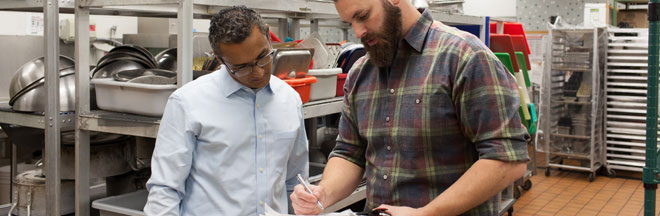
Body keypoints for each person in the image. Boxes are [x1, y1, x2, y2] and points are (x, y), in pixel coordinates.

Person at [291, 0, 529, 215]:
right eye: (350, 21)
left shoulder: (465, 56)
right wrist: (323, 193)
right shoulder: (360, 73)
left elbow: (507, 160)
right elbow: (349, 153)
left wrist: (426, 213)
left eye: (363, 16)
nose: (357, 31)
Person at [144, 6, 308, 215]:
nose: (258, 72)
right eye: (241, 67)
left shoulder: (289, 100)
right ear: (219, 59)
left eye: (263, 57)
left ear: (268, 36)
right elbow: (165, 190)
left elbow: (295, 181)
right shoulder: (188, 103)